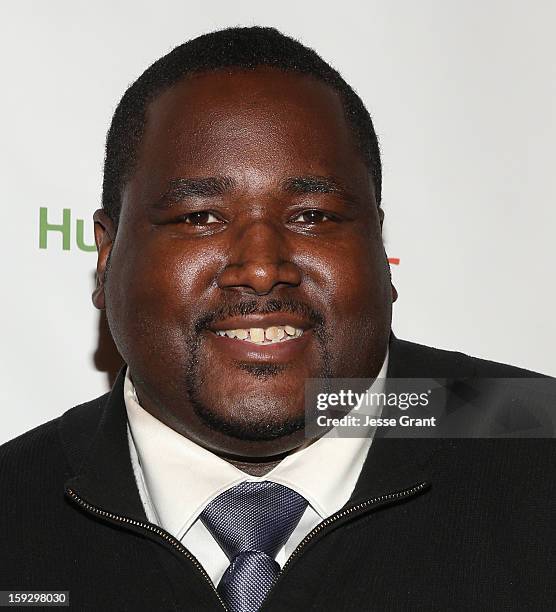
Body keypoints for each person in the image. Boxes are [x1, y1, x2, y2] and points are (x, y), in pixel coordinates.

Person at [0, 26, 553, 612]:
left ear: (378, 247)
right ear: (107, 255)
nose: (262, 268)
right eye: (200, 217)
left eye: (314, 215)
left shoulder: (536, 441)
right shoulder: (14, 515)